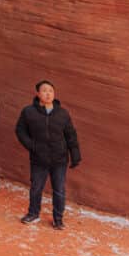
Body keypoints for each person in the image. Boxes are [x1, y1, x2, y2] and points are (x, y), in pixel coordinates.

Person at [16, 80, 81, 230]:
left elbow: (71, 135)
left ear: (54, 94)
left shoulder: (62, 113)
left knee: (59, 190)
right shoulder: (28, 112)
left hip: (59, 159)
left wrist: (75, 154)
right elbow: (20, 131)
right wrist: (32, 146)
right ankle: (33, 214)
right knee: (36, 188)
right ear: (38, 94)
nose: (48, 93)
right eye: (44, 91)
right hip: (39, 158)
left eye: (50, 91)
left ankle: (58, 219)